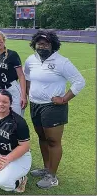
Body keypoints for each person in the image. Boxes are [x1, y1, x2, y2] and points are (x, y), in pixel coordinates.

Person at [24, 30, 86, 189]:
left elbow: (79, 81)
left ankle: (52, 176)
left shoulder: (62, 62)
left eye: (45, 44)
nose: (41, 46)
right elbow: (27, 78)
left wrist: (64, 99)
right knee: (42, 138)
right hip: (35, 104)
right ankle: (46, 168)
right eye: (39, 43)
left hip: (53, 107)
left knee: (53, 140)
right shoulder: (31, 60)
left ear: (52, 45)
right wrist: (27, 94)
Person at [0, 31, 27, 116]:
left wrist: (23, 95)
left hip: (12, 88)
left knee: (16, 117)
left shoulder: (12, 54)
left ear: (4, 41)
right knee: (1, 116)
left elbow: (21, 75)